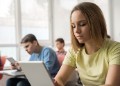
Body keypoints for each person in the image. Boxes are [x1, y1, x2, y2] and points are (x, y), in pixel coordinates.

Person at [54, 2, 120, 86]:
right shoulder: (74, 51)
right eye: (73, 26)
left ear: (96, 24)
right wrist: (56, 83)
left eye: (82, 24)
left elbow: (111, 85)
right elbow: (60, 79)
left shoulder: (115, 48)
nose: (76, 31)